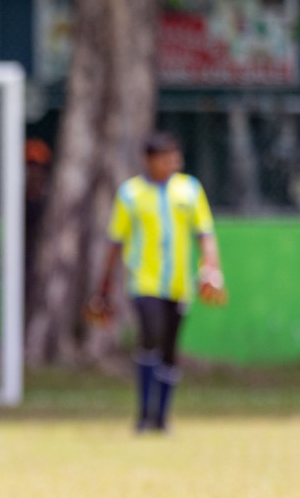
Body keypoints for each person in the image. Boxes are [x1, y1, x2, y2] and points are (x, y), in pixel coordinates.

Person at [90, 131, 224, 432]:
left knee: (169, 348)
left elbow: (205, 234)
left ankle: (161, 418)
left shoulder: (189, 190)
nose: (172, 162)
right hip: (144, 282)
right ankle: (143, 414)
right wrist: (104, 287)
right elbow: (115, 242)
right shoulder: (131, 194)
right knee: (151, 335)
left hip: (179, 284)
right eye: (165, 157)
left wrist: (211, 269)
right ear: (148, 160)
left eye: (175, 156)